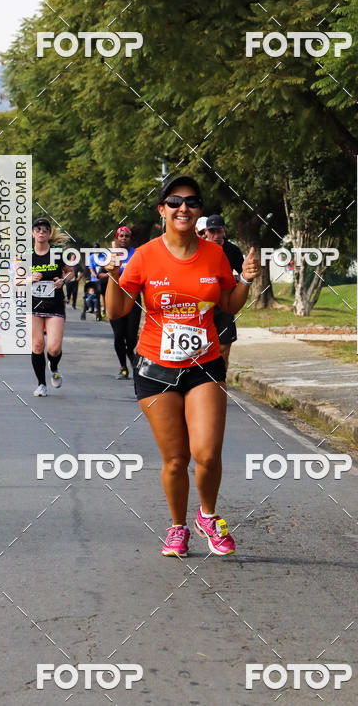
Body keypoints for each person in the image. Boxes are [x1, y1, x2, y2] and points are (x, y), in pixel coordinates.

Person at [106, 175, 260, 558]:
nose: (183, 208)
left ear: (199, 212)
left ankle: (208, 515)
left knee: (207, 453)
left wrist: (246, 281)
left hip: (204, 365)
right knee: (175, 460)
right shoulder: (144, 256)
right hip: (156, 369)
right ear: (162, 210)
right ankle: (177, 527)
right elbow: (118, 310)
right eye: (174, 202)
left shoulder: (214, 254)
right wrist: (112, 277)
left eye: (191, 202)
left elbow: (227, 303)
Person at [31, 217, 74, 397]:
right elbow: (15, 280)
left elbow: (71, 273)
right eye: (38, 229)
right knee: (37, 345)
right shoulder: (26, 255)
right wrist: (28, 279)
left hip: (54, 304)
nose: (41, 232)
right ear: (33, 232)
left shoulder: (57, 253)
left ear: (49, 234)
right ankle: (41, 384)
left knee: (54, 348)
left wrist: (62, 281)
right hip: (33, 305)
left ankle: (54, 366)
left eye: (45, 229)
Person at [205, 214, 244, 370]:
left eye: (218, 231)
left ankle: (220, 381)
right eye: (212, 231)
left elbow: (244, 274)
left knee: (223, 348)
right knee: (201, 349)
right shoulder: (198, 248)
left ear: (224, 231)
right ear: (206, 232)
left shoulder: (232, 250)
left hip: (224, 304)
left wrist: (237, 281)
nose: (215, 235)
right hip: (203, 304)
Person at [107, 226, 140, 379]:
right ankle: (123, 367)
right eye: (121, 235)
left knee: (132, 337)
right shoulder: (111, 254)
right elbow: (103, 271)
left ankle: (130, 352)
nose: (124, 238)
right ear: (117, 238)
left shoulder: (138, 254)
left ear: (130, 238)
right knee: (119, 335)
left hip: (133, 298)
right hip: (115, 298)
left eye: (127, 236)